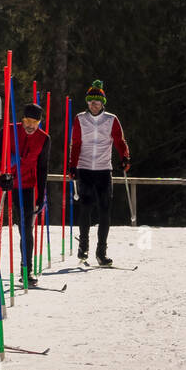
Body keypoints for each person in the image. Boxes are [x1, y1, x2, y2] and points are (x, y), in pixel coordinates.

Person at [67, 79, 130, 267]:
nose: (93, 105)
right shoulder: (80, 119)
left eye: (96, 102)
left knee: (104, 211)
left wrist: (125, 157)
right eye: (90, 102)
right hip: (85, 168)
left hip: (104, 169)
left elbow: (119, 141)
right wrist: (72, 165)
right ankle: (83, 246)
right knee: (85, 208)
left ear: (103, 103)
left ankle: (101, 252)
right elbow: (76, 144)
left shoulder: (111, 119)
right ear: (87, 103)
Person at [0, 101, 50, 287]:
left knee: (26, 228)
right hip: (2, 181)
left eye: (35, 122)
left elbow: (42, 168)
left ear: (40, 122)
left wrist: (40, 197)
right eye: (28, 121)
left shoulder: (43, 138)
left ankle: (27, 270)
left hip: (26, 184)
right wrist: (7, 158)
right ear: (22, 119)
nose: (31, 125)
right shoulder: (8, 129)